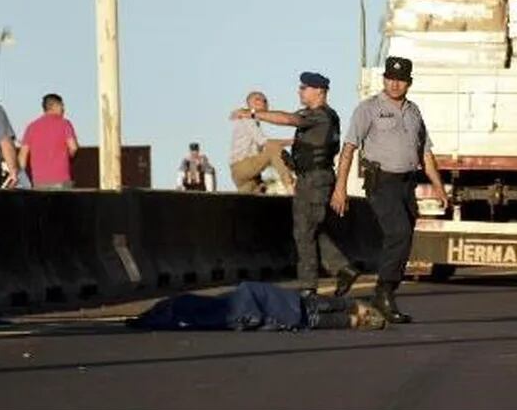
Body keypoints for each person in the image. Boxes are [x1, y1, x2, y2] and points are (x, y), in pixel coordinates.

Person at [331, 56, 448, 324]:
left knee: (402, 240)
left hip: (407, 183)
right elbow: (348, 149)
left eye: (401, 80)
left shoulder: (414, 111)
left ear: (409, 83)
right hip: (381, 181)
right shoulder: (368, 109)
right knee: (399, 233)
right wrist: (340, 189)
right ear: (384, 79)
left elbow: (425, 152)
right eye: (390, 79)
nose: (395, 84)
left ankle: (360, 270)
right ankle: (383, 294)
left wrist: (439, 187)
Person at [233, 73, 359, 298]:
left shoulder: (320, 115)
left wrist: (251, 113)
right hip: (311, 177)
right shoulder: (319, 116)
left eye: (305, 88)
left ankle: (308, 287)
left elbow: (288, 119)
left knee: (304, 232)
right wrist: (294, 162)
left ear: (319, 91)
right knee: (312, 228)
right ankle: (342, 268)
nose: (300, 91)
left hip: (315, 180)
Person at [126, 280, 385, 332]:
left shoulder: (175, 310)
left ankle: (353, 317)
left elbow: (163, 318)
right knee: (305, 305)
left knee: (305, 316)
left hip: (245, 307)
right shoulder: (178, 305)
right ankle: (354, 309)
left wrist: (140, 322)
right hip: (249, 298)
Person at [229, 91, 295, 194]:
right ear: (253, 103)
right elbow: (265, 143)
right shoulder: (248, 119)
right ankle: (290, 186)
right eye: (261, 100)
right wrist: (291, 142)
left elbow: (262, 149)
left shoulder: (249, 119)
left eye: (265, 101)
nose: (265, 103)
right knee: (274, 149)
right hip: (243, 166)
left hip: (242, 173)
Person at [19, 93, 79, 190]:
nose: (63, 109)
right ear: (53, 106)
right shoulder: (64, 123)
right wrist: (69, 158)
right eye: (61, 105)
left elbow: (22, 156)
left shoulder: (31, 127)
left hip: (39, 181)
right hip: (61, 178)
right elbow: (73, 147)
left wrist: (23, 180)